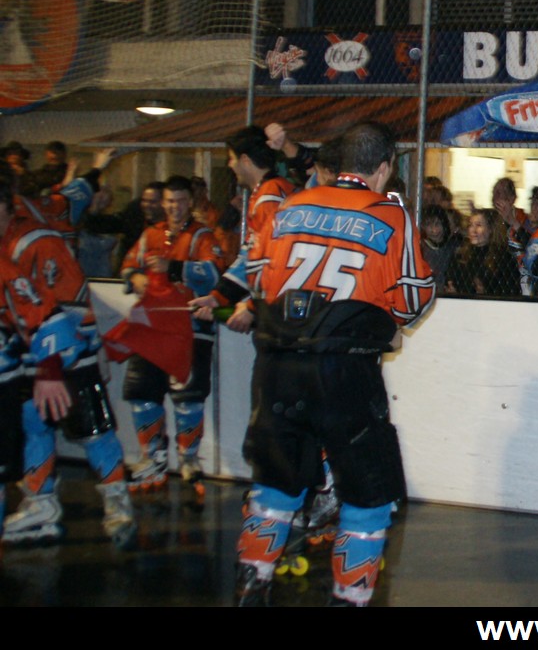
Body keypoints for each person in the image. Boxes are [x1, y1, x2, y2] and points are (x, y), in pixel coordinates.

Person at [234, 121, 435, 607]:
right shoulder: (391, 215)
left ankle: (251, 587)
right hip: (344, 372)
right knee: (369, 497)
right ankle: (348, 599)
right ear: (385, 167)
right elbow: (413, 299)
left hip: (278, 367)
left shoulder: (291, 205)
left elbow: (257, 278)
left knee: (276, 486)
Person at [0, 170, 136, 548]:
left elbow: (70, 301)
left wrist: (54, 364)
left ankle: (117, 500)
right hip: (27, 352)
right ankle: (40, 503)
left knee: (92, 427)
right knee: (34, 423)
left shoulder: (38, 241)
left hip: (70, 350)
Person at [119, 175, 227, 492]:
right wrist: (135, 279)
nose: (174, 207)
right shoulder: (150, 233)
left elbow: (215, 273)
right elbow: (127, 265)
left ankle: (188, 459)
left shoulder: (203, 235)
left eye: (180, 201)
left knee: (187, 398)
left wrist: (174, 267)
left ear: (190, 202)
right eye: (169, 201)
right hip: (151, 329)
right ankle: (152, 458)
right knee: (141, 394)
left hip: (190, 330)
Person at [191, 126, 297, 333]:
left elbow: (269, 260)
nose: (230, 165)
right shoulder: (273, 190)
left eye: (231, 158)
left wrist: (253, 307)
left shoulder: (270, 197)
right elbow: (251, 255)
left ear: (246, 160)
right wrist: (219, 297)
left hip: (279, 310)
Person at [450, 208, 521, 296]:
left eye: (478, 225)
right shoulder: (460, 255)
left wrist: (485, 293)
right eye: (470, 225)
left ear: (490, 229)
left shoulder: (503, 258)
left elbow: (511, 290)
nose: (473, 230)